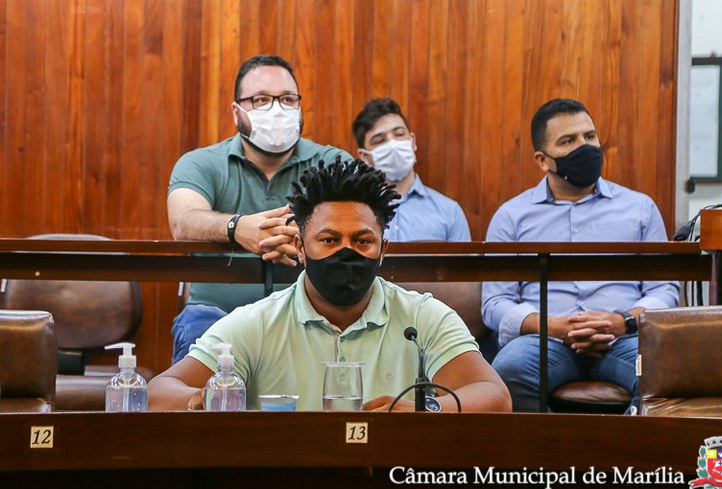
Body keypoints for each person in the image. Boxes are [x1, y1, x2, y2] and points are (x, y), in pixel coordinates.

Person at [149, 157, 511, 412]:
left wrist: (425, 409)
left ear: (383, 251)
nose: (346, 252)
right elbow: (159, 393)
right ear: (299, 248)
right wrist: (205, 399)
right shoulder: (257, 323)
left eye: (362, 241)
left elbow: (495, 396)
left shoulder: (422, 316)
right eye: (328, 240)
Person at [482, 98, 680, 413]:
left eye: (589, 136)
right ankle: (547, 446)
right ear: (542, 160)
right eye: (568, 141)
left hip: (624, 339)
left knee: (666, 368)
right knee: (509, 369)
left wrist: (624, 321)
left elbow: (665, 289)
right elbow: (495, 302)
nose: (584, 147)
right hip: (545, 341)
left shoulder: (640, 209)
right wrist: (553, 326)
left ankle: (628, 445)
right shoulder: (511, 217)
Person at [167, 55, 351, 364]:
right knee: (197, 340)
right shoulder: (200, 163)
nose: (277, 109)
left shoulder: (335, 163)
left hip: (314, 312)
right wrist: (237, 228)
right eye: (261, 100)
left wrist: (293, 233)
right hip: (216, 316)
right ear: (236, 111)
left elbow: (359, 222)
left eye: (287, 99)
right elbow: (183, 221)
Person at [352, 98, 471, 241]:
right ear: (364, 156)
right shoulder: (351, 212)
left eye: (399, 134)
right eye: (379, 140)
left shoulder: (449, 212)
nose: (393, 144)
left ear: (412, 141)